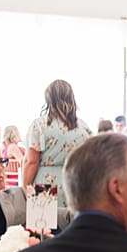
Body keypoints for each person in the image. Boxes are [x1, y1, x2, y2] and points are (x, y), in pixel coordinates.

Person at [23, 79, 93, 207]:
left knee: (43, 225)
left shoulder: (39, 125)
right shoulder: (83, 127)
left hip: (44, 185)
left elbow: (31, 161)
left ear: (49, 99)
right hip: (76, 184)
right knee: (74, 225)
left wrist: (24, 189)